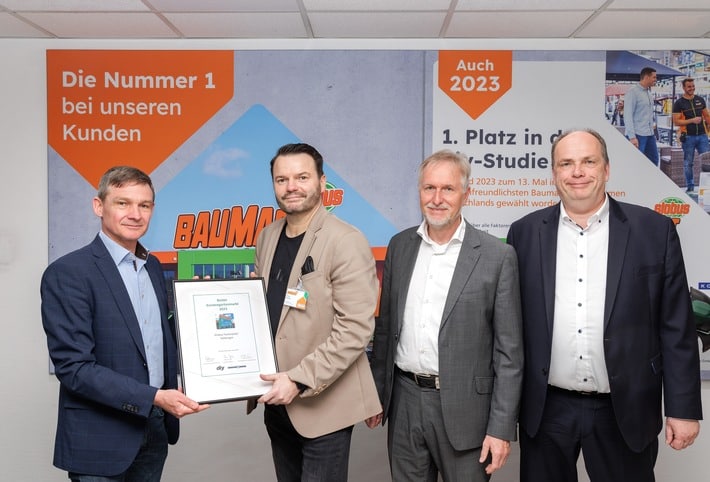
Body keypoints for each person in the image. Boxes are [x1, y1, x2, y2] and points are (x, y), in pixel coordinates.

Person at [507, 129, 702, 482]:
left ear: (607, 169)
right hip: (547, 409)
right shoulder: (524, 233)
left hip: (625, 407)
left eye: (588, 161)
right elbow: (511, 326)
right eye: (566, 163)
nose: (577, 172)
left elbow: (676, 327)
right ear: (554, 173)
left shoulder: (654, 230)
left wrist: (683, 408)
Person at [41, 166, 209, 481]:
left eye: (144, 205)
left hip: (155, 428)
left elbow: (157, 339)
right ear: (99, 206)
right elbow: (74, 368)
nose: (135, 214)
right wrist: (154, 396)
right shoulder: (69, 273)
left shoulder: (153, 267)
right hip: (100, 436)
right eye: (123, 203)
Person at [367, 150, 524, 481]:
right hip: (405, 401)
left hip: (467, 411)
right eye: (429, 188)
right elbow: (385, 329)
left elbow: (509, 354)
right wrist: (377, 394)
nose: (437, 199)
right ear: (420, 191)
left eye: (448, 189)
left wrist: (501, 428)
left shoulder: (497, 256)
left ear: (466, 194)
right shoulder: (400, 246)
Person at [251, 143, 381, 481]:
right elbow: (263, 313)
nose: (291, 187)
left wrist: (297, 379)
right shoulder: (267, 238)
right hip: (277, 402)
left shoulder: (345, 240)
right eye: (282, 179)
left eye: (302, 177)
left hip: (324, 405)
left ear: (322, 182)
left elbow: (354, 330)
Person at [672, 77, 710, 193]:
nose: (692, 88)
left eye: (693, 86)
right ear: (683, 88)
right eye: (689, 86)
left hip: (702, 136)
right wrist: (692, 120)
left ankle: (706, 186)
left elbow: (707, 116)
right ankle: (690, 187)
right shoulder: (678, 103)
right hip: (688, 137)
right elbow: (676, 121)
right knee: (688, 163)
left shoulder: (700, 100)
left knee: (707, 161)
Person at [624, 67, 659, 165]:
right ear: (646, 77)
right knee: (636, 163)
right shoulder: (633, 92)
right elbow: (628, 115)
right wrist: (632, 137)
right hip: (638, 134)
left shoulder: (649, 93)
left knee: (654, 161)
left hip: (649, 134)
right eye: (654, 77)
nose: (656, 79)